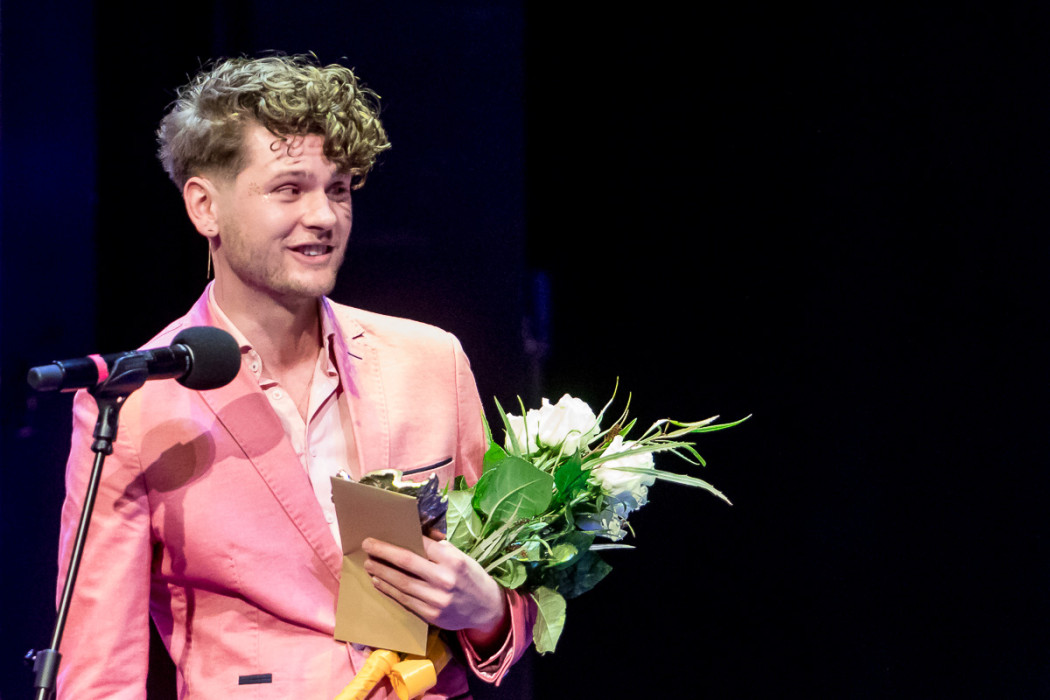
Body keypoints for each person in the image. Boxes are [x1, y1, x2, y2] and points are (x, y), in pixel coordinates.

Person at [56, 54, 533, 699]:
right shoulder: (137, 403)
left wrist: (489, 611)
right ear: (205, 207)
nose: (325, 216)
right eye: (289, 189)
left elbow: (510, 588)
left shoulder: (430, 360)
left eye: (338, 189)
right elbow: (98, 670)